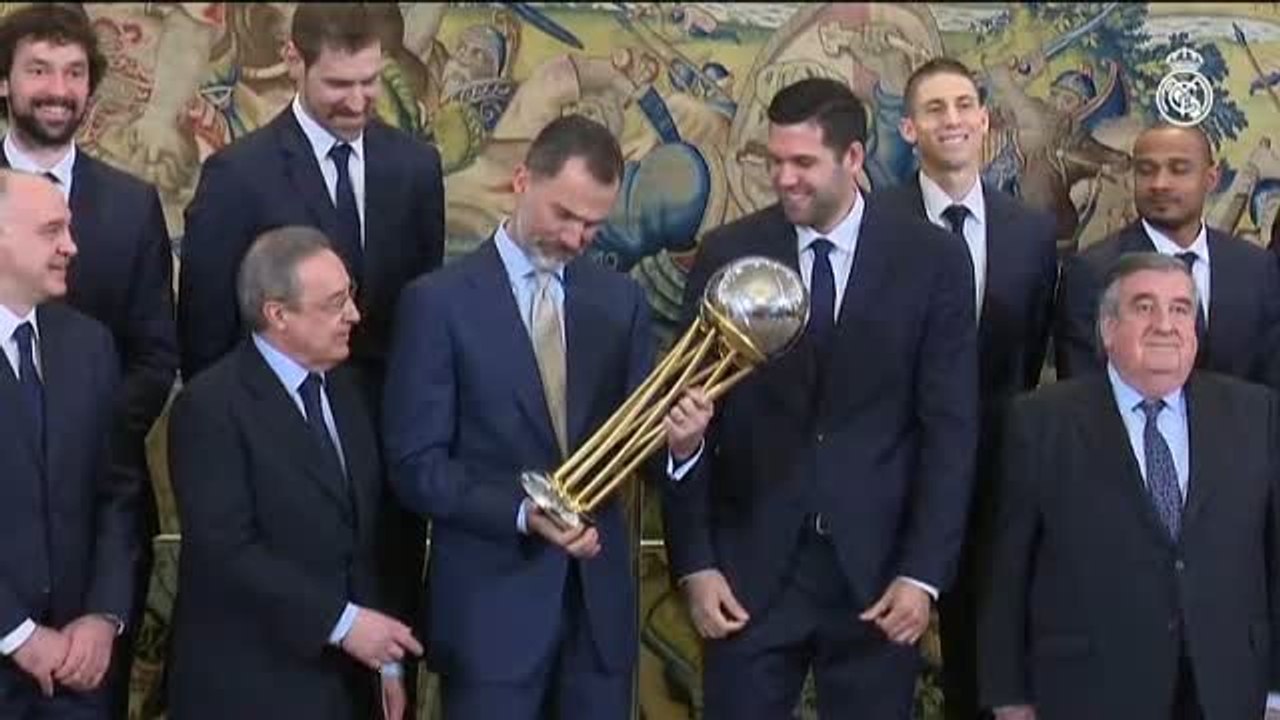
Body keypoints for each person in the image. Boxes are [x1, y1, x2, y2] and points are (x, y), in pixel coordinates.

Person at [664, 77, 979, 719]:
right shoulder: (728, 254)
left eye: (803, 163)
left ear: (854, 159)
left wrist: (921, 574)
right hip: (747, 581)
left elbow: (950, 432)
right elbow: (689, 425)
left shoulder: (934, 261)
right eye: (775, 162)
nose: (784, 178)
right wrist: (696, 564)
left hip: (878, 581)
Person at [382, 115, 711, 719]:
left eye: (594, 223)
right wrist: (520, 512)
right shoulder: (437, 304)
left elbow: (641, 447)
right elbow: (415, 466)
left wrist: (681, 447)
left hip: (598, 618)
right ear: (520, 181)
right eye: (565, 214)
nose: (579, 237)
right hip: (491, 620)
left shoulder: (621, 302)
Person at [176, 3, 446, 673]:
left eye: (369, 82)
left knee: (384, 661)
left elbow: (419, 314)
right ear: (295, 63)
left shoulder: (415, 167)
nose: (357, 101)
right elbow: (206, 336)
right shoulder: (239, 176)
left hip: (384, 466)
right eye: (338, 86)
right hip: (278, 471)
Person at [981, 252, 1280, 720]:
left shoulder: (1255, 413)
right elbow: (1008, 567)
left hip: (1226, 685)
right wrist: (1008, 693)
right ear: (1107, 329)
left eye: (1181, 309)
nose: (1165, 324)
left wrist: (1276, 689)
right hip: (1090, 686)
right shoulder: (1041, 421)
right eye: (1144, 307)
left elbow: (1274, 554)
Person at [167, 227, 422, 719]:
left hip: (350, 685)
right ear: (277, 314)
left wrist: (386, 665)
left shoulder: (353, 393)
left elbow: (368, 538)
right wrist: (344, 624)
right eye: (333, 303)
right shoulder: (212, 407)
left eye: (350, 295)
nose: (354, 314)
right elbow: (227, 552)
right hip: (251, 687)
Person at [0, 8, 178, 711]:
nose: (57, 88)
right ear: (6, 82)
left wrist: (75, 432)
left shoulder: (131, 206)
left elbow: (154, 352)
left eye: (74, 73)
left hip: (97, 516)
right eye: (39, 69)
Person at [876, 57, 1058, 720]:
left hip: (995, 481)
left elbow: (1030, 352)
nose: (951, 120)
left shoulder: (1032, 232)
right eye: (934, 109)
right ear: (907, 128)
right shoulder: (874, 223)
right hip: (894, 475)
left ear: (984, 120)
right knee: (882, 657)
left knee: (985, 656)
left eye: (962, 106)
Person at [0, 169, 140, 718]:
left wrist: (104, 616)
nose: (70, 246)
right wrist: (16, 633)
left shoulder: (89, 345)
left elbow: (118, 490)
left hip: (78, 673)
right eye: (52, 230)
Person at [1055, 124, 1280, 383]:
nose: (1160, 184)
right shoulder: (1091, 273)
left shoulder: (1256, 268)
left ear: (1211, 178)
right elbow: (1082, 393)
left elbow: (1270, 383)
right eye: (1146, 171)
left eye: (1178, 170)